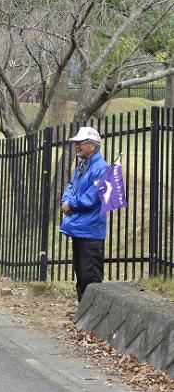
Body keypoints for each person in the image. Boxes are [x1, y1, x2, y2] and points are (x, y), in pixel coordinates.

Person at [60, 126, 108, 318]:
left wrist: (70, 204)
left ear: (92, 145)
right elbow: (71, 185)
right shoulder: (83, 165)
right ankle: (83, 307)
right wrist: (65, 200)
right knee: (80, 271)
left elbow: (93, 197)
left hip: (91, 228)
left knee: (90, 273)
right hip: (79, 227)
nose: (76, 146)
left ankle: (92, 312)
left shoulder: (101, 168)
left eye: (80, 143)